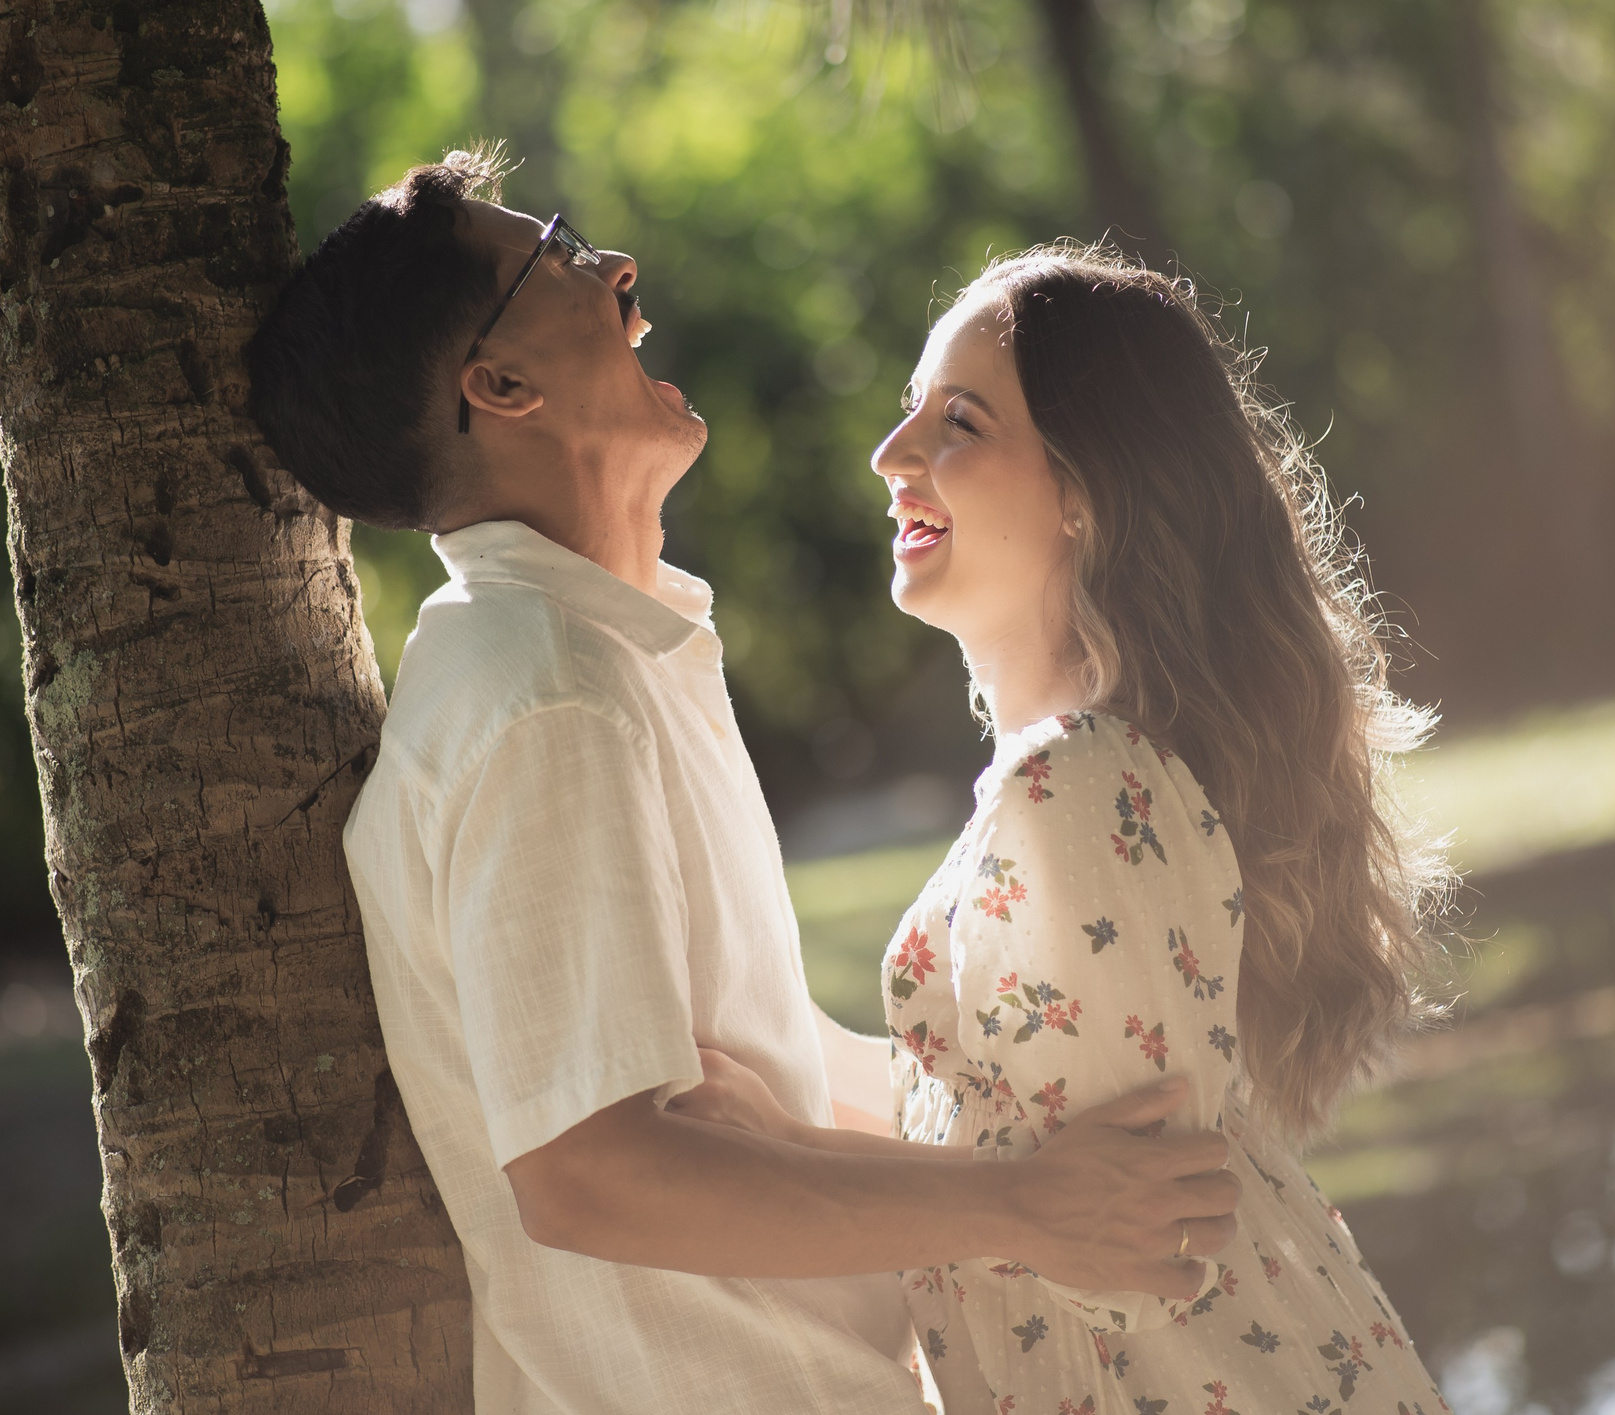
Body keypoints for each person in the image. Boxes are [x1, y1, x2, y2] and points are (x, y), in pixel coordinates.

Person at [246, 154, 1241, 1414]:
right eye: (557, 252)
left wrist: (1086, 1158)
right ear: (498, 383)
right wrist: (1024, 1206)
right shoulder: (542, 687)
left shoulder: (602, 652)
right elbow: (589, 1170)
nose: (619, 272)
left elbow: (783, 1068)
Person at [674, 246, 1453, 1414]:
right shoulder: (1088, 774)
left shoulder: (1082, 786)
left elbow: (1122, 1242)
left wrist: (772, 1160)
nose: (892, 458)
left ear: (1085, 487)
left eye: (961, 422)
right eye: (908, 416)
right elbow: (1013, 1121)